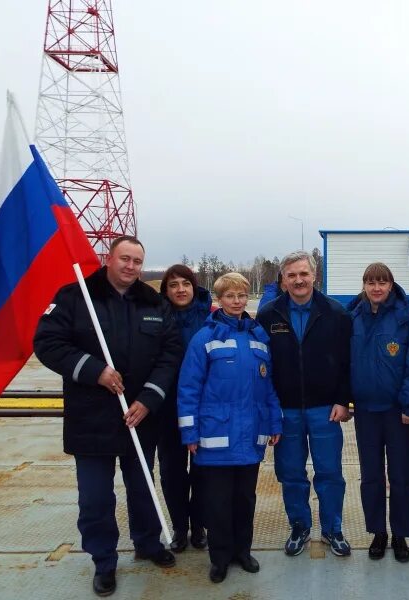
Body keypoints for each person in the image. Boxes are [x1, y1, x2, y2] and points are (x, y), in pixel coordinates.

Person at [33, 236, 182, 597]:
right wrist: (94, 371)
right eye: (124, 259)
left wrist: (149, 398)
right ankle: (103, 560)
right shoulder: (75, 296)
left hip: (140, 417)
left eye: (137, 261)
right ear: (109, 259)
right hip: (91, 418)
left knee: (144, 488)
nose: (131, 267)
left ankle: (147, 543)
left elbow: (171, 351)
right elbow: (47, 343)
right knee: (96, 498)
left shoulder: (154, 303)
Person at [177, 272, 282, 584]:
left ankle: (242, 552)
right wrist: (190, 432)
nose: (236, 302)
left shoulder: (259, 338)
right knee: (218, 502)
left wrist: (275, 421)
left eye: (240, 296)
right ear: (218, 300)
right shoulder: (204, 338)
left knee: (245, 499)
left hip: (250, 436)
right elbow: (189, 388)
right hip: (215, 437)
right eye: (229, 296)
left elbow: (269, 386)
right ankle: (219, 558)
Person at [256, 250, 353, 557]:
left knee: (329, 472)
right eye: (292, 275)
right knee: (291, 472)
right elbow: (263, 367)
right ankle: (299, 526)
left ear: (315, 276)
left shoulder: (336, 313)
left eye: (304, 274)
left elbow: (346, 362)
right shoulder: (268, 315)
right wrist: (270, 411)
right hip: (286, 411)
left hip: (325, 409)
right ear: (283, 280)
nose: (299, 280)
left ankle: (332, 528)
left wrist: (342, 400)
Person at [346, 263, 409, 562]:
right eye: (371, 282)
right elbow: (343, 361)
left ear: (391, 285)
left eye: (382, 282)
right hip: (366, 411)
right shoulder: (352, 316)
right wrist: (346, 399)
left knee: (402, 475)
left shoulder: (406, 315)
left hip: (398, 413)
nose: (376, 287)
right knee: (371, 476)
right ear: (364, 285)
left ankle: (400, 534)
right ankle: (378, 532)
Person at [157, 264, 212, 553]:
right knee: (172, 471)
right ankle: (180, 527)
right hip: (166, 407)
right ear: (166, 290)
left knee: (202, 470)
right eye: (173, 285)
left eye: (185, 283)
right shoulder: (155, 317)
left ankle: (200, 525)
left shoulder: (210, 318)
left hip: (203, 407)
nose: (180, 289)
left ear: (194, 286)